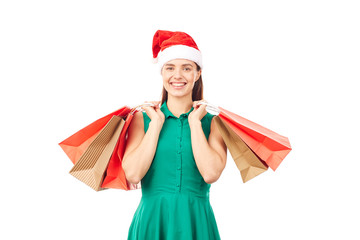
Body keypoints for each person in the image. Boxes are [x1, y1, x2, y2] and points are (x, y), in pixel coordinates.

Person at [123, 30, 227, 240]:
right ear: (162, 73)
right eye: (170, 68)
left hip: (196, 224)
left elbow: (211, 174)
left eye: (186, 68)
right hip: (152, 224)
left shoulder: (215, 123)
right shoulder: (141, 120)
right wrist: (156, 124)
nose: (177, 75)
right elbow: (133, 174)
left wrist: (195, 123)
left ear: (197, 74)